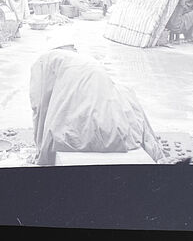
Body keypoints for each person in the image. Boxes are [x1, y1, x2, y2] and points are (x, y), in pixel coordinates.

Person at [29, 47, 164, 166]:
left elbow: (39, 104)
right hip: (112, 117)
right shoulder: (83, 59)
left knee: (71, 126)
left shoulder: (43, 62)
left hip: (89, 106)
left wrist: (41, 145)